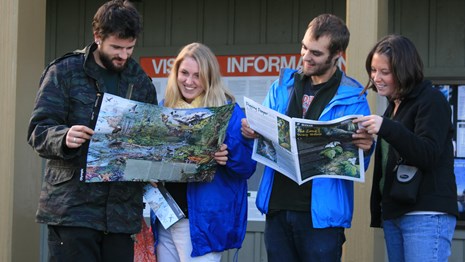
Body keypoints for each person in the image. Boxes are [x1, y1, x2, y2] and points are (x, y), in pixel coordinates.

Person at [27, 1, 157, 261]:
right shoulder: (64, 72)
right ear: (98, 38)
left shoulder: (141, 82)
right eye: (116, 48)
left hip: (121, 215)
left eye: (130, 48)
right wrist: (63, 136)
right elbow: (37, 130)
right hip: (73, 210)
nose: (124, 55)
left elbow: (151, 139)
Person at [241, 14, 374, 261]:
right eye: (304, 47)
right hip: (278, 208)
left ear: (336, 56)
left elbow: (358, 163)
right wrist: (251, 130)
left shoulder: (354, 97)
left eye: (316, 53)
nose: (305, 56)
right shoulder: (281, 86)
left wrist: (365, 149)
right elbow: (261, 133)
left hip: (321, 219)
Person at [354, 34, 458, 262]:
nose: (376, 78)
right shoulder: (393, 108)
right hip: (395, 213)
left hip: (426, 214)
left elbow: (428, 154)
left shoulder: (432, 100)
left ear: (404, 70)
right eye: (373, 70)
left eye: (385, 72)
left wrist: (387, 127)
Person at [150, 42, 256, 261]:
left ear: (210, 78)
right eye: (184, 73)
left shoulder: (228, 110)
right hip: (165, 217)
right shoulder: (165, 107)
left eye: (197, 76)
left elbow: (247, 167)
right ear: (175, 73)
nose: (189, 82)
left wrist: (229, 156)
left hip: (202, 223)